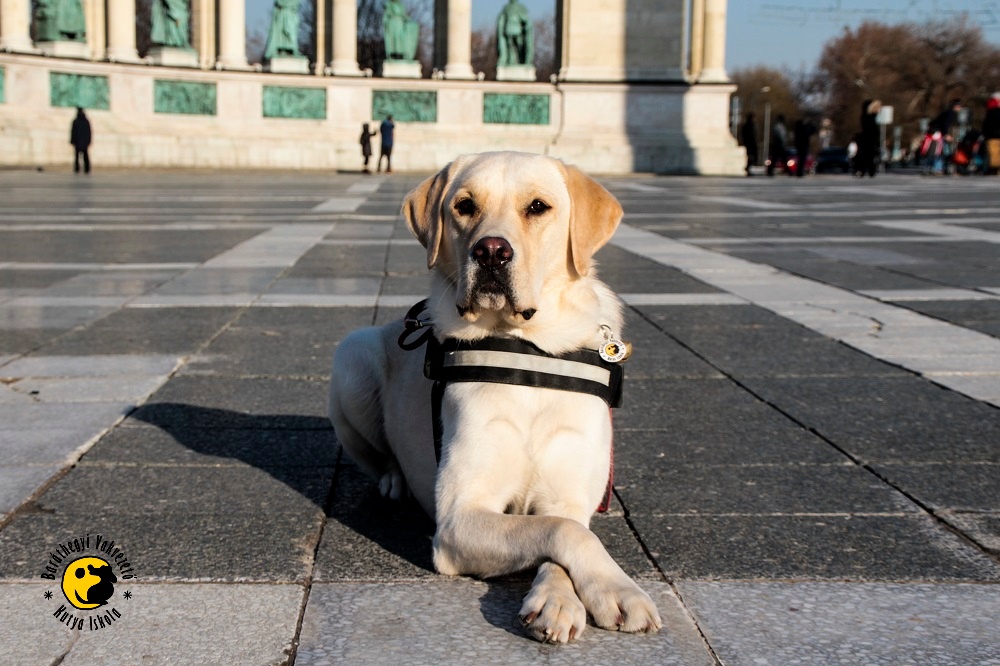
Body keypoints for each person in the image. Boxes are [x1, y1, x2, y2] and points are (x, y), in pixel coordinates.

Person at [928, 99, 962, 175]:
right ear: (955, 106)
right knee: (943, 151)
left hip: (937, 132)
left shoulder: (947, 112)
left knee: (942, 151)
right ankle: (938, 168)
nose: (960, 108)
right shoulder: (951, 113)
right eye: (959, 106)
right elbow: (946, 124)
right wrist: (946, 134)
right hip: (940, 134)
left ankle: (939, 168)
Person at [497, 0, 534, 67]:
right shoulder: (506, 7)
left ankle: (520, 60)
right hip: (509, 29)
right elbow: (502, 19)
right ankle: (511, 61)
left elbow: (525, 19)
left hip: (517, 30)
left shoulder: (521, 7)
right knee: (510, 46)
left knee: (519, 45)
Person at [855, 99, 881, 178]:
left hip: (868, 139)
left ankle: (866, 170)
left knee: (868, 155)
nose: (879, 109)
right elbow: (871, 129)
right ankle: (866, 170)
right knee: (868, 155)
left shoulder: (868, 117)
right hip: (868, 139)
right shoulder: (870, 117)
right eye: (877, 107)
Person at [982, 93, 1000, 175]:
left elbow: (986, 125)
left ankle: (994, 170)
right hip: (994, 136)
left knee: (993, 155)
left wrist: (985, 134)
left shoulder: (990, 112)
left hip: (992, 136)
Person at [70, 107, 91, 174]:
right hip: (84, 142)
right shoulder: (86, 121)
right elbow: (89, 132)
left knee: (77, 156)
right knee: (85, 156)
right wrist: (89, 141)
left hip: (78, 141)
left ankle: (77, 168)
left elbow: (73, 132)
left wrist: (72, 141)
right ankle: (87, 169)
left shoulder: (76, 121)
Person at [740, 112, 758, 176]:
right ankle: (747, 168)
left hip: (748, 143)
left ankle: (748, 168)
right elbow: (752, 136)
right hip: (751, 144)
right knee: (751, 157)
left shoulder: (746, 126)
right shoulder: (750, 126)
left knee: (750, 157)